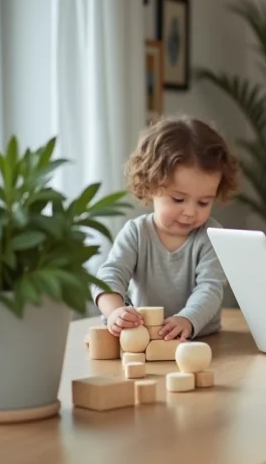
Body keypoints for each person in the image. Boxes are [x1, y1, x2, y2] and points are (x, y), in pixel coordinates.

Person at [92, 116, 239, 341]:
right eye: (178, 199)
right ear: (150, 186)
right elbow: (109, 277)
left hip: (200, 338)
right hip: (144, 337)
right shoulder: (136, 233)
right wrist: (115, 312)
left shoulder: (210, 237)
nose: (190, 212)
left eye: (204, 202)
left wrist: (187, 319)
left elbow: (210, 289)